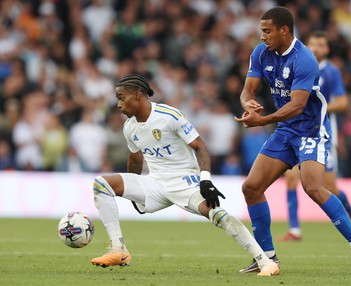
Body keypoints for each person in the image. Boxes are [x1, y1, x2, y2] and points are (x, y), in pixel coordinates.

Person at [90, 74, 280, 276]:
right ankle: (118, 250)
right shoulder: (129, 127)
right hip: (155, 183)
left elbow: (200, 146)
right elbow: (135, 158)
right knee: (102, 184)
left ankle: (265, 262)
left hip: (185, 182)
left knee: (218, 215)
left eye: (121, 97)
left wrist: (205, 180)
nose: (118, 104)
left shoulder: (169, 115)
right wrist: (133, 189)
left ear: (138, 94)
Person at [234, 7, 351, 275]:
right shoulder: (261, 52)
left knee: (313, 187)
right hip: (285, 131)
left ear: (284, 30)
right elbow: (248, 89)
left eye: (267, 31)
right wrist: (246, 102)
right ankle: (267, 257)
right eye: (262, 30)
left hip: (310, 129)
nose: (262, 36)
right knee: (251, 187)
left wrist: (262, 121)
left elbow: (297, 105)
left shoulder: (305, 59)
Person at [278, 30, 351, 242]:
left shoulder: (331, 72)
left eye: (321, 45)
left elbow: (343, 102)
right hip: (296, 132)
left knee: (330, 188)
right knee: (290, 178)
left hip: (321, 133)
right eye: (313, 43)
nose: (316, 48)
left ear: (327, 49)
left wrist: (317, 106)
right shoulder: (298, 65)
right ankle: (295, 230)